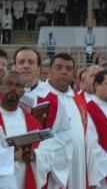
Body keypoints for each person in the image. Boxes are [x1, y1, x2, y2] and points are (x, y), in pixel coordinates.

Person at [36, 53, 88, 189]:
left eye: (69, 69)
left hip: (77, 163)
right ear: (49, 71)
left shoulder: (78, 99)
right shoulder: (40, 96)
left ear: (73, 74)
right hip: (52, 166)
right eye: (59, 67)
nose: (64, 72)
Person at [0, 71, 44, 189]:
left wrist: (34, 155)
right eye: (9, 84)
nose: (13, 88)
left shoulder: (32, 122)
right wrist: (10, 156)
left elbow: (46, 151)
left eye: (18, 85)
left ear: (23, 91)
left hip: (24, 180)